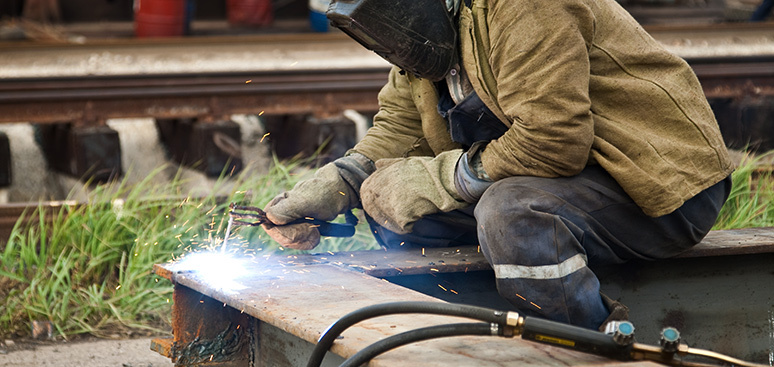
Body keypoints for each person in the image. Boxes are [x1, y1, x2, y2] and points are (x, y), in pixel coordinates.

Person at [261, 0, 734, 331]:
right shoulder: (424, 29)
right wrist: (340, 183)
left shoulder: (524, 7)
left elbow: (555, 141)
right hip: (561, 179)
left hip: (656, 187)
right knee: (396, 211)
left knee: (513, 215)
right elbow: (401, 123)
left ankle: (592, 344)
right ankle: (469, 330)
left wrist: (442, 177)